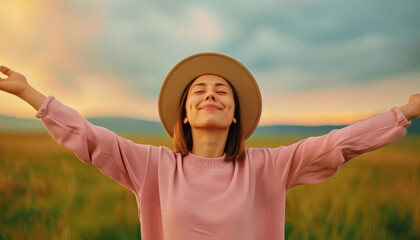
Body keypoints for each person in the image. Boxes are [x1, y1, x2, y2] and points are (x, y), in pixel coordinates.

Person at [0, 52, 419, 240]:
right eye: (198, 90)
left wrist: (405, 112)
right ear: (185, 112)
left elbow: (339, 143)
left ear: (234, 114)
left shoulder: (267, 168)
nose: (210, 94)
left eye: (222, 91)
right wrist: (29, 92)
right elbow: (89, 137)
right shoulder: (152, 166)